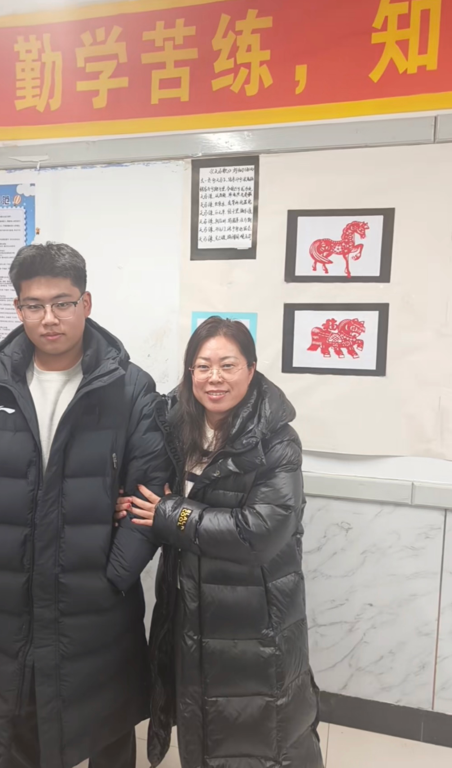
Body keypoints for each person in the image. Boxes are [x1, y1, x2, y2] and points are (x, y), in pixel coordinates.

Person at [0, 242, 169, 768]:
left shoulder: (129, 389)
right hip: (11, 593)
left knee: (105, 723)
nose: (49, 318)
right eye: (34, 305)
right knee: (16, 719)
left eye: (62, 303)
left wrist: (116, 573)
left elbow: (151, 486)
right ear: (17, 309)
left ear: (86, 303)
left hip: (97, 599)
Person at [112, 317, 323, 768]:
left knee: (261, 729)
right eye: (203, 365)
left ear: (251, 369)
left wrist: (170, 514)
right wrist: (127, 504)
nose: (214, 378)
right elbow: (150, 492)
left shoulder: (277, 440)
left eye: (228, 365)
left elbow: (258, 532)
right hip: (187, 605)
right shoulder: (174, 427)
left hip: (253, 617)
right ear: (190, 371)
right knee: (201, 722)